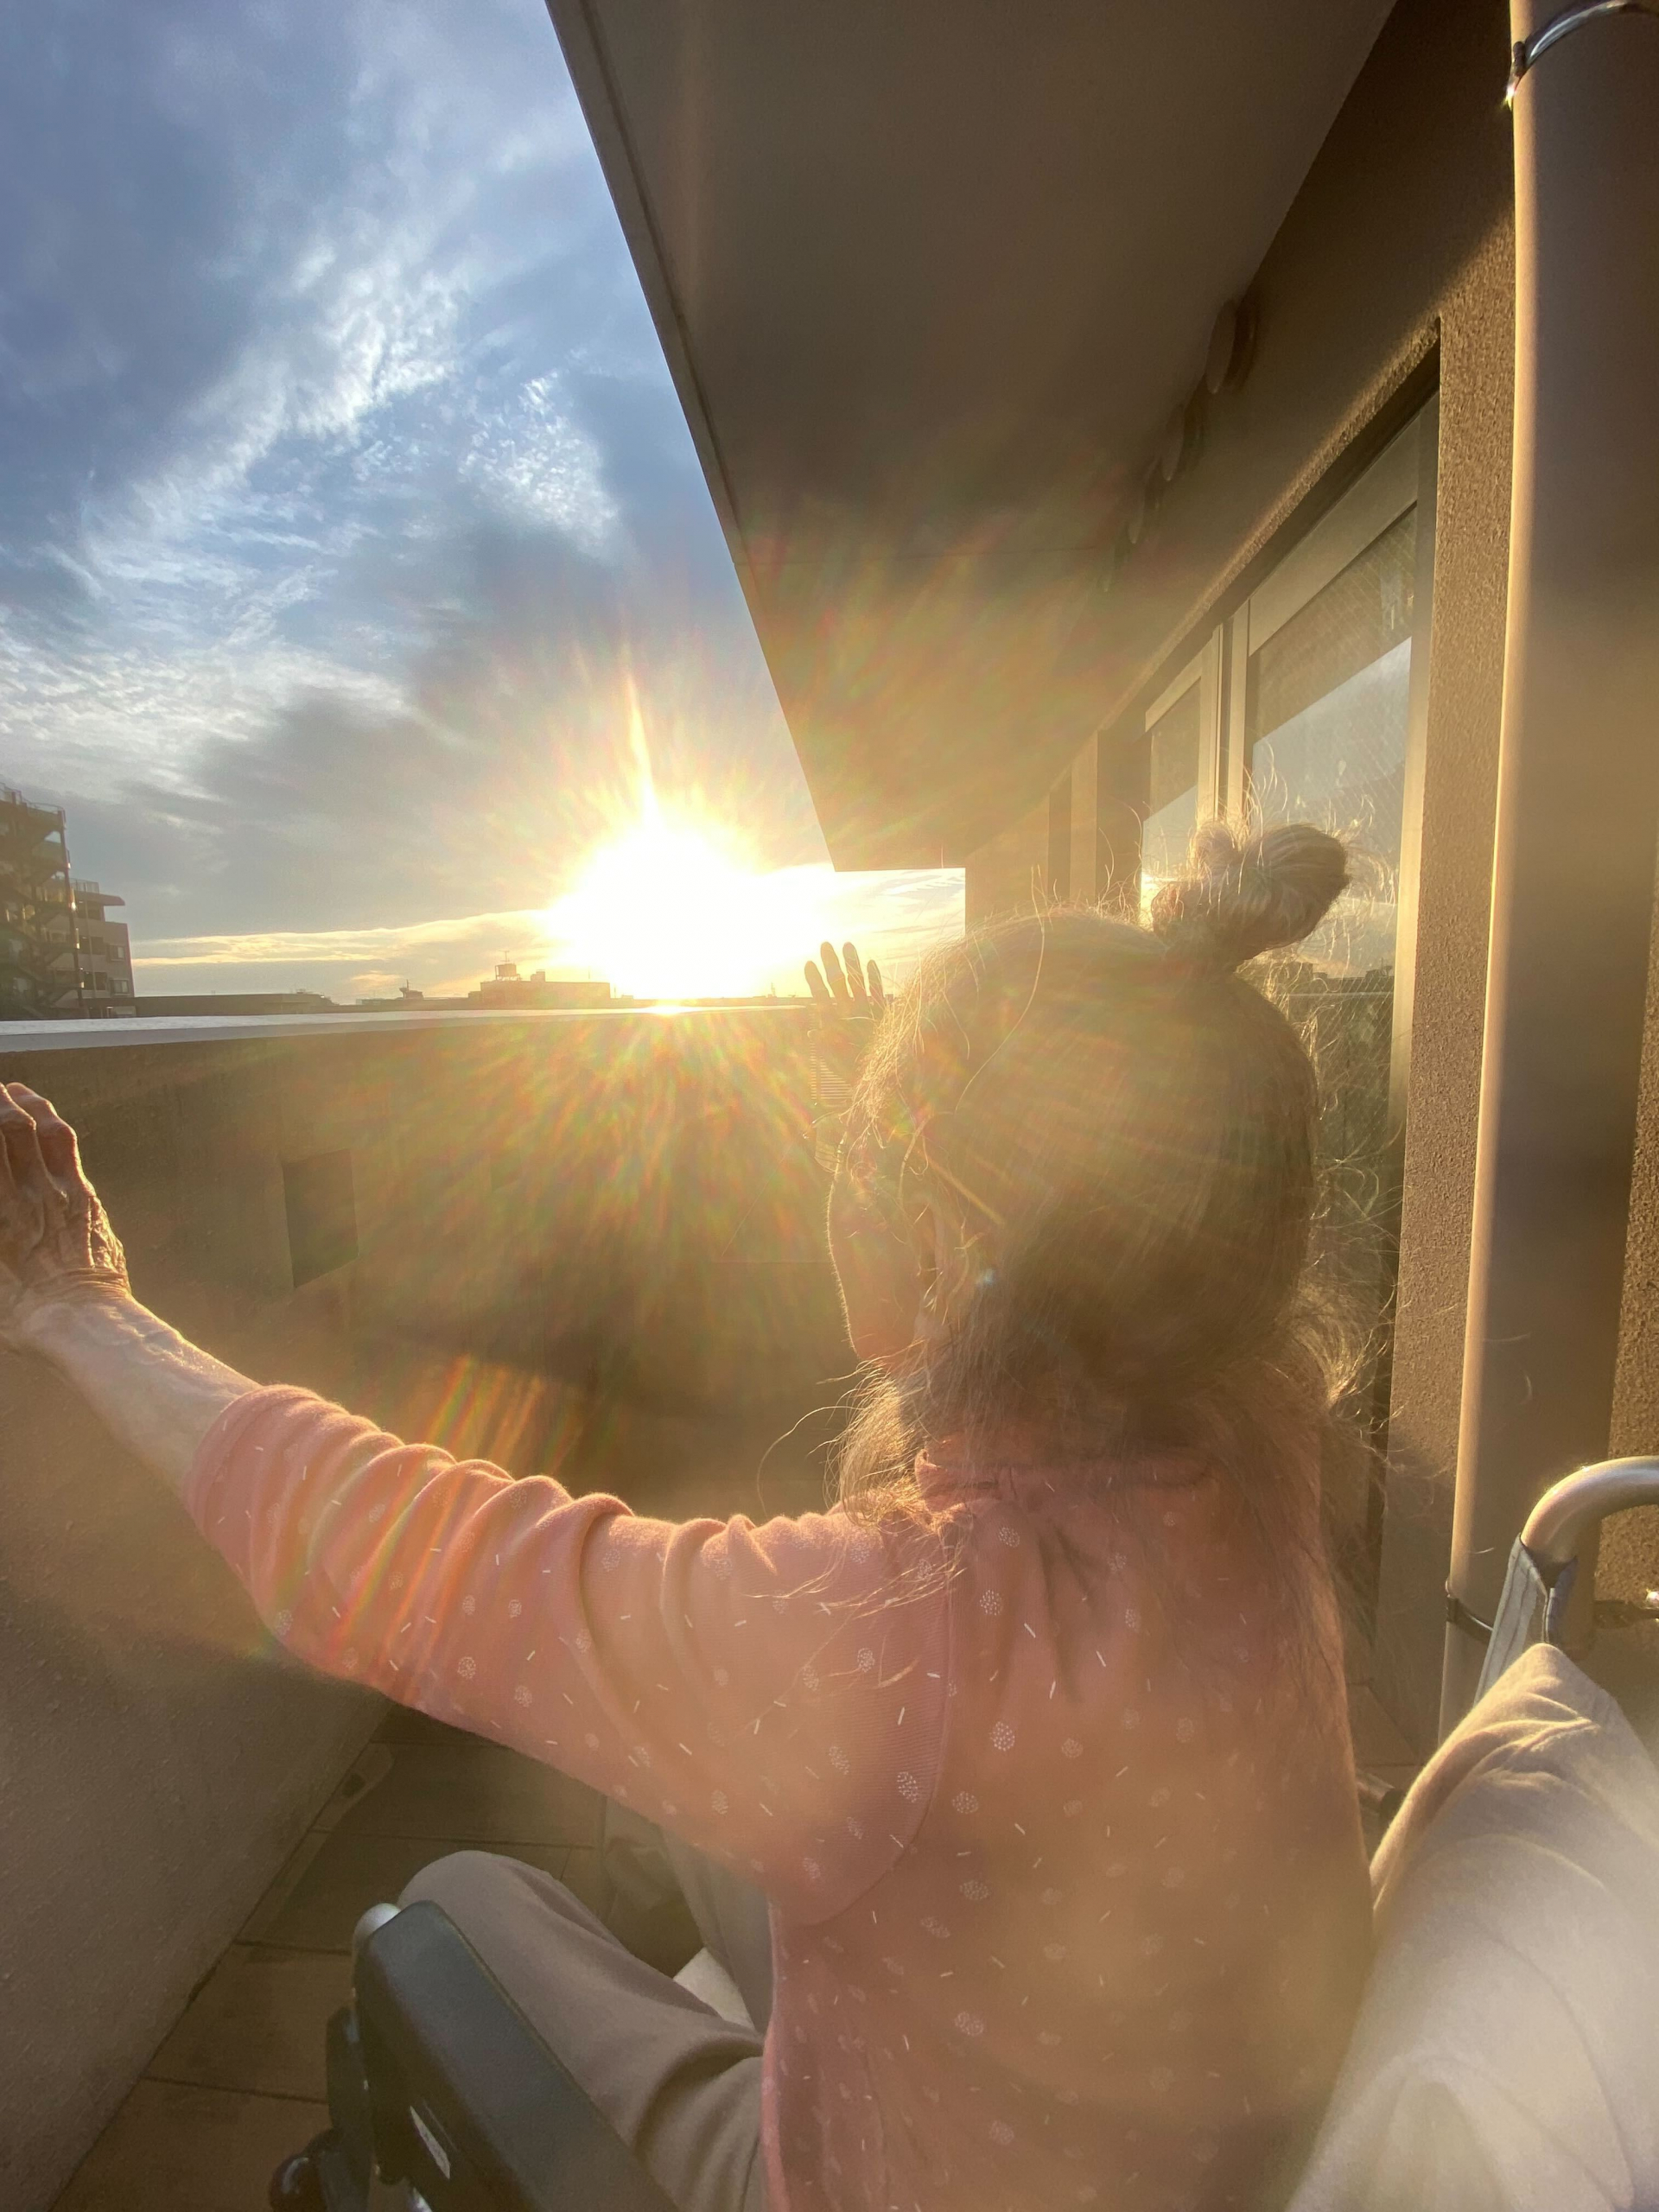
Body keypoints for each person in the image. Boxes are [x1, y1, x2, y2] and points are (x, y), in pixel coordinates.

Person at [0, 823, 1372, 2212]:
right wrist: (919, 1145)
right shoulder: (1264, 1453)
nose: (843, 1172)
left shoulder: (893, 1633)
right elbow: (1057, 1277)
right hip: (1146, 2124)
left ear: (944, 1242)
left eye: (866, 1148)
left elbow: (420, 1559)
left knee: (461, 1901)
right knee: (669, 1794)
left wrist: (79, 1306)